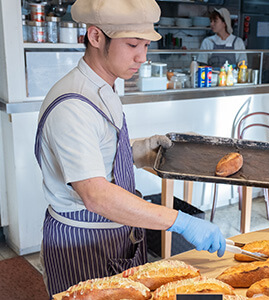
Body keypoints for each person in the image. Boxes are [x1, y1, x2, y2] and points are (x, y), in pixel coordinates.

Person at [34, 0, 226, 296]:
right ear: (96, 37)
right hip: (83, 245)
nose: (142, 57)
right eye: (133, 44)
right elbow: (96, 195)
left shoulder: (104, 85)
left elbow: (99, 153)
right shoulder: (72, 105)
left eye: (146, 46)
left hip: (117, 234)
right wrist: (179, 221)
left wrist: (141, 151)